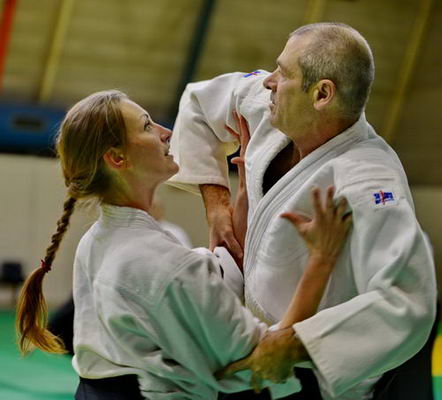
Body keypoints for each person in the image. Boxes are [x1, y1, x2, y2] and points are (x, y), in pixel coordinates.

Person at [15, 90, 352, 399]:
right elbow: (268, 359)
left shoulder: (100, 240)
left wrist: (248, 191)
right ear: (117, 158)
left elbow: (212, 272)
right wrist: (322, 258)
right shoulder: (159, 262)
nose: (165, 131)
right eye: (147, 126)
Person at [167, 22, 437, 399]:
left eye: (284, 73)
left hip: (312, 375)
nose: (268, 81)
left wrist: (294, 344)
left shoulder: (369, 180)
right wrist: (217, 204)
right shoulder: (269, 108)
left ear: (322, 94)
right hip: (251, 347)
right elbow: (197, 101)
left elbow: (408, 301)